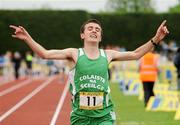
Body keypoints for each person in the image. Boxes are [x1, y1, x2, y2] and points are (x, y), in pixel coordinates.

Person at [9, 19, 169, 125]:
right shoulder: (73, 54)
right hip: (80, 116)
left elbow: (135, 54)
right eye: (90, 28)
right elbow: (45, 54)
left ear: (100, 36)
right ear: (82, 35)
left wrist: (156, 38)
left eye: (97, 29)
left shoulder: (108, 55)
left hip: (104, 115)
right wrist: (27, 38)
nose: (94, 31)